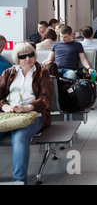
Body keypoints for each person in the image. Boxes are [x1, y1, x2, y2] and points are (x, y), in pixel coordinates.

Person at [0, 41, 52, 184]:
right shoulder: (8, 73)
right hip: (9, 115)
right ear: (17, 58)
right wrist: (5, 107)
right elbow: (0, 96)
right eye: (23, 56)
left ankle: (19, 181)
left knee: (19, 137)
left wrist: (28, 108)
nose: (27, 59)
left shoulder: (42, 73)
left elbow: (46, 98)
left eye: (30, 55)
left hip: (34, 115)